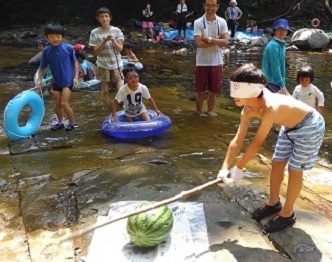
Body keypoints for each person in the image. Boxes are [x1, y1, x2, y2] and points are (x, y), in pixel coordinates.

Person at [217, 63, 325, 233]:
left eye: (238, 91)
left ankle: (288, 213)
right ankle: (273, 202)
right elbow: (238, 140)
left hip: (310, 126)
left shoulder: (270, 107)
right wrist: (224, 168)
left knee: (295, 168)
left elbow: (257, 142)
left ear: (252, 91)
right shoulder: (247, 109)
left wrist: (239, 167)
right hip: (289, 127)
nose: (233, 96)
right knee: (277, 162)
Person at [36, 23, 79, 131]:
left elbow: (75, 63)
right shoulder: (46, 51)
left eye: (58, 37)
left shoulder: (68, 48)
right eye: (51, 37)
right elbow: (42, 67)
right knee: (57, 104)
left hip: (67, 81)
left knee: (64, 103)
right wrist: (39, 80)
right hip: (56, 82)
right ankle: (60, 123)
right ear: (47, 37)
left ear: (62, 37)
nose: (55, 39)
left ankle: (72, 123)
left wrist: (76, 77)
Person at [193, 0, 229, 117]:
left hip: (217, 61)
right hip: (201, 61)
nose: (211, 8)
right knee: (200, 91)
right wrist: (217, 41)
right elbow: (199, 43)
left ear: (217, 7)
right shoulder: (198, 22)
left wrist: (208, 39)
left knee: (213, 91)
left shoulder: (222, 22)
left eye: (213, 5)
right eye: (208, 5)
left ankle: (210, 111)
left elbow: (225, 42)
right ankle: (199, 111)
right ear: (204, 6)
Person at [89, 7, 124, 105]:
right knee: (105, 91)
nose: (104, 19)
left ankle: (122, 107)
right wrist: (104, 41)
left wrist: (113, 40)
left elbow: (120, 49)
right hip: (102, 64)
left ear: (110, 18)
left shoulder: (116, 31)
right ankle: (105, 109)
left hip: (117, 63)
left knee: (120, 90)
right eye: (102, 17)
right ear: (98, 19)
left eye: (106, 16)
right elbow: (96, 52)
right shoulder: (94, 32)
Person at [262, 19, 291, 95]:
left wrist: (283, 83)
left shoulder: (281, 45)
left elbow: (282, 66)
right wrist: (281, 84)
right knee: (287, 101)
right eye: (279, 29)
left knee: (290, 100)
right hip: (268, 81)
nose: (282, 32)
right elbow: (275, 67)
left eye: (284, 29)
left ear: (287, 32)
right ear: (274, 31)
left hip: (275, 81)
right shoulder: (273, 45)